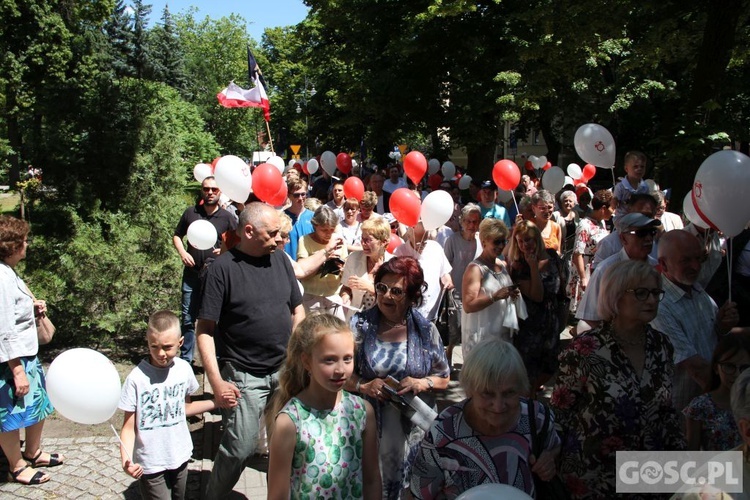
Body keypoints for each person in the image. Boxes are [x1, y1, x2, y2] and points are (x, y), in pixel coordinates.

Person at [197, 203, 305, 498]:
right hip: (244, 376)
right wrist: (217, 382)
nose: (279, 239)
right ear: (248, 231)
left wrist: (296, 357)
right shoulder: (221, 270)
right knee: (241, 447)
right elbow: (204, 330)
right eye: (272, 234)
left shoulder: (281, 260)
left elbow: (298, 311)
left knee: (286, 445)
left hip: (283, 371)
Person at [551, 260, 685, 498]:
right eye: (641, 293)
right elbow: (561, 415)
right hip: (596, 476)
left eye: (655, 293)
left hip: (649, 474)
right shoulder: (585, 349)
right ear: (616, 296)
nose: (652, 300)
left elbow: (667, 414)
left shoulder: (662, 345)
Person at [347, 257, 450, 498]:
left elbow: (443, 377)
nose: (386, 296)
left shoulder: (426, 331)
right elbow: (341, 375)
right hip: (372, 429)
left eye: (396, 291)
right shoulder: (359, 326)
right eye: (381, 288)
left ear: (412, 296)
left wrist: (422, 382)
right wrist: (364, 385)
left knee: (412, 491)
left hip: (414, 433)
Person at [410, 338, 560, 499]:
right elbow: (419, 494)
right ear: (470, 390)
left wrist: (549, 459)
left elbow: (555, 448)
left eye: (509, 393)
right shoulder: (443, 432)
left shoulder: (536, 418)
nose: (498, 406)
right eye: (487, 393)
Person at [267, 314, 381, 499]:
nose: (340, 369)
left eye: (347, 358)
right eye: (329, 360)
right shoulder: (291, 421)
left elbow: (372, 479)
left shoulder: (362, 411)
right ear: (306, 362)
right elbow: (277, 495)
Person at [119, 311, 216, 500]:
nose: (161, 353)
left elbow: (185, 409)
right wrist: (126, 460)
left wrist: (215, 402)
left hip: (179, 455)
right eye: (154, 346)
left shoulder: (183, 370)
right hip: (150, 462)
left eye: (167, 347)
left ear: (180, 343)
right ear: (147, 341)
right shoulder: (136, 379)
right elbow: (128, 427)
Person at [0, 215, 62, 485]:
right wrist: (17, 371)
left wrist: (31, 307)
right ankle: (16, 465)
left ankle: (33, 452)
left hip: (27, 354)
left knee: (38, 405)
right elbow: (3, 329)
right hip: (11, 362)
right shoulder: (0, 278)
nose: (27, 245)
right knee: (10, 415)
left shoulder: (9, 272)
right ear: (12, 246)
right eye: (24, 241)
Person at [651, 230, 739, 416]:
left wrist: (722, 326)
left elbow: (712, 339)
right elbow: (696, 368)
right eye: (686, 260)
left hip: (708, 407)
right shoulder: (660, 307)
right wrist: (735, 398)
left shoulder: (698, 292)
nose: (696, 266)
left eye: (699, 258)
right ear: (663, 264)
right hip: (682, 411)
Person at [172, 176, 237, 362]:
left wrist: (224, 251)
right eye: (206, 189)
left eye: (214, 190)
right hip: (192, 274)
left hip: (215, 276)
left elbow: (237, 242)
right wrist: (183, 252)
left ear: (220, 192)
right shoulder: (191, 213)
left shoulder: (227, 217)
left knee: (215, 318)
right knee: (187, 318)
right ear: (202, 190)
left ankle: (216, 359)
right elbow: (177, 235)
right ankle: (186, 361)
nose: (210, 193)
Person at [575, 212, 661, 328]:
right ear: (623, 238)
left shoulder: (657, 268)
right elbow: (589, 319)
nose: (649, 238)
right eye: (641, 233)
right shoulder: (605, 270)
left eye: (652, 232)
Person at [507, 220, 561, 394]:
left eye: (528, 240)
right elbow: (537, 296)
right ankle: (527, 406)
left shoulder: (552, 257)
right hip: (529, 325)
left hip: (550, 320)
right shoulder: (520, 267)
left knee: (550, 366)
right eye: (520, 241)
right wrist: (532, 268)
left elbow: (558, 287)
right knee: (529, 371)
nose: (525, 245)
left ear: (537, 238)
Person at [460, 218, 520, 357]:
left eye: (503, 241)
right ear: (484, 242)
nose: (500, 246)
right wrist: (495, 296)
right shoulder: (475, 269)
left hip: (502, 336)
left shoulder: (501, 264)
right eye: (496, 242)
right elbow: (468, 306)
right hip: (482, 339)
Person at [684, 333, 750, 451]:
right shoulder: (700, 406)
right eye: (729, 366)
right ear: (715, 368)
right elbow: (691, 453)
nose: (736, 374)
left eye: (744, 368)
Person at [443, 204, 482, 367]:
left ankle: (470, 363)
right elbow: (444, 265)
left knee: (473, 331)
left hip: (476, 293)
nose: (472, 226)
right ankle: (449, 353)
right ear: (461, 222)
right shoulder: (452, 240)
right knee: (456, 330)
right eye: (468, 221)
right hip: (456, 293)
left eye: (475, 222)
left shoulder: (481, 240)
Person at [394, 222, 453, 322]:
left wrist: (448, 281)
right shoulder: (400, 252)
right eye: (418, 242)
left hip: (433, 314)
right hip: (409, 315)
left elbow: (445, 274)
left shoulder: (436, 248)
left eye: (424, 241)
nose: (421, 245)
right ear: (409, 235)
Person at [566, 189, 613, 315]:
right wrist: (583, 278)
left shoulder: (602, 223)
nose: (614, 212)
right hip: (586, 269)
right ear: (603, 208)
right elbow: (577, 253)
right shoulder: (584, 225)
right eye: (612, 208)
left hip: (598, 267)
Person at [297, 205, 349, 318]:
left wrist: (343, 270)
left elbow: (346, 273)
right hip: (312, 296)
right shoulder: (305, 241)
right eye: (324, 230)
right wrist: (322, 261)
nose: (328, 234)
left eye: (332, 229)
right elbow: (302, 274)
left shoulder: (338, 240)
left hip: (334, 295)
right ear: (315, 226)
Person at [340, 217, 393, 321]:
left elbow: (394, 298)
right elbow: (346, 288)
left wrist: (370, 288)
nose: (363, 243)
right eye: (362, 239)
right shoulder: (353, 258)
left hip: (382, 321)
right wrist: (345, 296)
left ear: (383, 242)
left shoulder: (393, 264)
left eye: (368, 240)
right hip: (355, 320)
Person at [592, 192, 658, 270]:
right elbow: (597, 274)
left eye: (650, 216)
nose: (648, 238)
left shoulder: (659, 245)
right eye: (640, 215)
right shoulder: (609, 244)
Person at [284, 176, 314, 261]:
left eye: (303, 194)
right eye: (296, 195)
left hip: (309, 265)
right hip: (289, 263)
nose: (300, 198)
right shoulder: (282, 217)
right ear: (289, 195)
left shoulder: (314, 217)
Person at [613, 150, 650, 218]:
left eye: (642, 167)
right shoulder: (620, 187)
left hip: (638, 217)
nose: (639, 169)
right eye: (635, 166)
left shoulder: (645, 187)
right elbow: (614, 205)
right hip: (623, 218)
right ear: (626, 169)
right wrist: (614, 202)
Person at [530, 189, 562, 254]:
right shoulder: (528, 227)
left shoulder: (556, 227)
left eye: (550, 207)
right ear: (533, 208)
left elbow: (559, 251)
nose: (547, 211)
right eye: (542, 208)